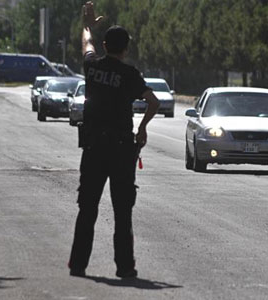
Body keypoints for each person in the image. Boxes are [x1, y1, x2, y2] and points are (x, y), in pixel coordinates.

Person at [68, 1, 159, 278]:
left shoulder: (92, 66)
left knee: (87, 208)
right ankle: (125, 266)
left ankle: (79, 265)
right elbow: (153, 102)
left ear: (106, 45)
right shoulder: (130, 74)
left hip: (94, 148)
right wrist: (142, 128)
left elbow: (87, 44)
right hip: (121, 150)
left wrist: (87, 25)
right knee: (122, 212)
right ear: (126, 48)